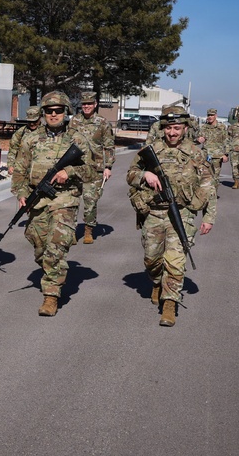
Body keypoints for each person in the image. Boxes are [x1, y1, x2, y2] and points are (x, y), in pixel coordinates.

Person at [126, 105, 215, 327]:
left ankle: (169, 304)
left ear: (185, 128)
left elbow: (208, 185)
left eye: (177, 128)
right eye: (168, 128)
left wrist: (208, 217)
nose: (172, 133)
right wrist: (145, 175)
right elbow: (130, 174)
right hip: (154, 213)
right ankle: (157, 282)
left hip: (182, 213)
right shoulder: (151, 150)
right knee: (152, 259)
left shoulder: (196, 153)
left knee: (175, 261)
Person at [11, 91, 93, 316]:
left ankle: (51, 295)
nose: (53, 115)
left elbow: (90, 170)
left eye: (58, 111)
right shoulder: (31, 139)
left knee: (56, 247)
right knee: (40, 247)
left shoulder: (77, 139)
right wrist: (21, 193)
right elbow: (20, 171)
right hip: (37, 200)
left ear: (66, 112)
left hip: (65, 199)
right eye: (49, 111)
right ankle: (52, 271)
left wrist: (69, 171)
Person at [68, 91, 114, 243]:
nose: (86, 106)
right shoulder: (74, 121)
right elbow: (66, 141)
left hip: (95, 168)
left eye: (89, 104)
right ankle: (71, 231)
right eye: (84, 104)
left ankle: (88, 230)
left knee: (90, 201)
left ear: (95, 104)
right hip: (76, 167)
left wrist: (108, 167)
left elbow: (109, 146)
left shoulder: (102, 122)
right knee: (72, 200)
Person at [196, 108, 229, 194]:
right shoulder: (203, 127)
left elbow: (226, 141)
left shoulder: (221, 127)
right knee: (204, 176)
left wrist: (226, 154)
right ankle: (205, 195)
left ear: (215, 116)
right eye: (209, 115)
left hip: (217, 156)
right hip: (205, 155)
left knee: (215, 177)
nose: (210, 117)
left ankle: (213, 195)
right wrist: (198, 140)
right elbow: (197, 140)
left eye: (212, 115)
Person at [7, 106, 41, 177]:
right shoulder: (20, 132)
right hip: (22, 171)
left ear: (40, 118)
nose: (32, 124)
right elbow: (13, 149)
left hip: (39, 170)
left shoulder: (46, 132)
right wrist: (10, 165)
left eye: (34, 121)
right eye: (29, 121)